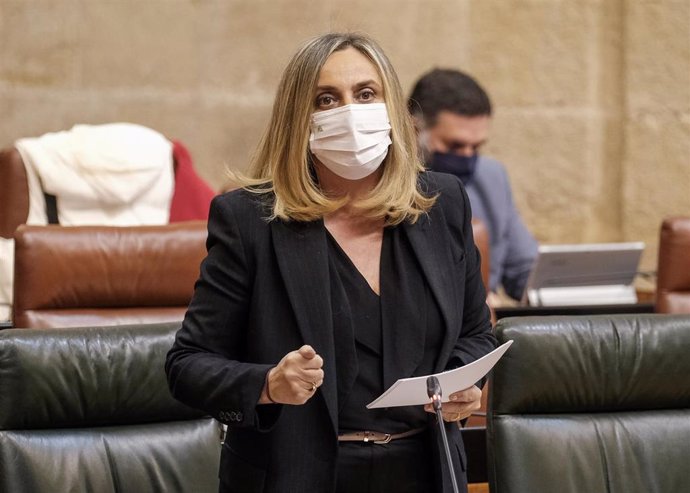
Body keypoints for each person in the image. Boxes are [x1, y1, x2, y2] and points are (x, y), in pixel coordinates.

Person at [165, 33, 496, 493]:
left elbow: (476, 334)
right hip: (297, 475)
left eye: (365, 93)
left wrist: (460, 387)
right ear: (300, 120)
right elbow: (187, 366)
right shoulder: (249, 220)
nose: (350, 112)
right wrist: (268, 384)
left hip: (424, 471)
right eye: (327, 98)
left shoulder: (440, 204)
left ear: (392, 110)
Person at [408, 69, 538, 301]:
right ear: (414, 129)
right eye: (455, 145)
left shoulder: (491, 176)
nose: (467, 156)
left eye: (476, 147)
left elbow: (524, 271)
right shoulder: (386, 187)